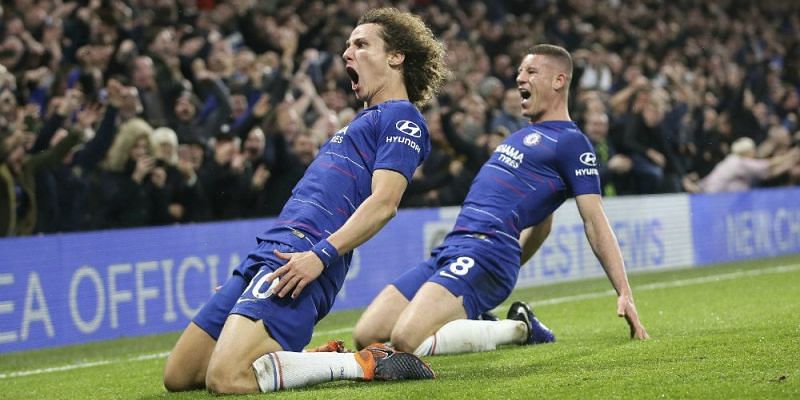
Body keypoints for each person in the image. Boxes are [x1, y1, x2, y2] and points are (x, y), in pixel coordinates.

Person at [163, 8, 447, 394]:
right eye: (347, 45)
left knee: (227, 379)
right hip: (272, 251)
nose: (347, 53)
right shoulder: (359, 121)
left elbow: (384, 203)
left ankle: (361, 362)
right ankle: (308, 358)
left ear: (396, 56)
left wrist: (320, 255)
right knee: (180, 377)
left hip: (308, 254)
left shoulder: (403, 119)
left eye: (361, 44)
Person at [353, 44, 649, 358]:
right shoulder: (520, 135)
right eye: (520, 71)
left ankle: (515, 330)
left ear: (559, 81)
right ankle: (489, 318)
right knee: (367, 335)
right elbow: (543, 224)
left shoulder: (572, 143)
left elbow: (594, 219)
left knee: (403, 340)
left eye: (531, 71)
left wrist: (624, 292)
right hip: (453, 249)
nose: (520, 78)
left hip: (487, 252)